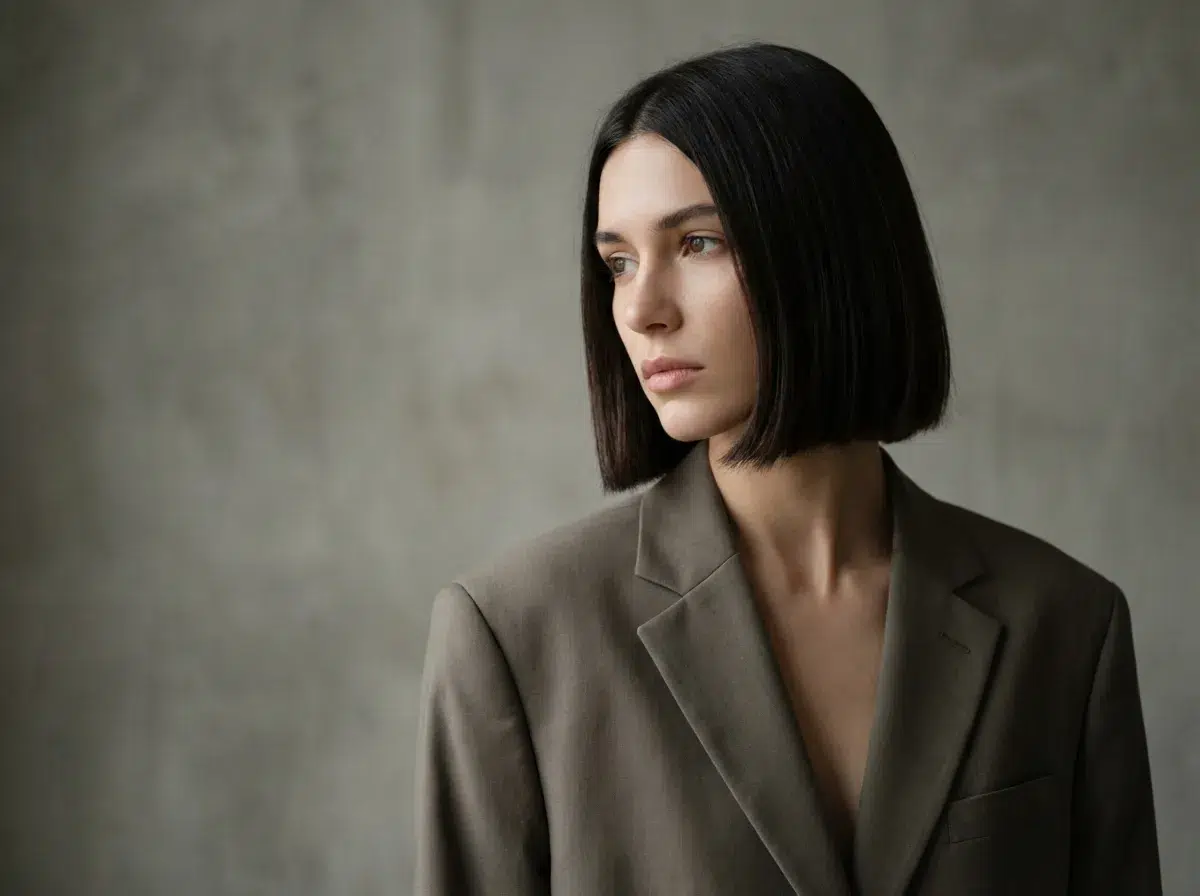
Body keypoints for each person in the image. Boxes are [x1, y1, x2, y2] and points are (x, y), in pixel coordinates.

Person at [412, 41, 1161, 895]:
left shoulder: (1062, 624)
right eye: (617, 261)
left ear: (828, 252)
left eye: (697, 242)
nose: (642, 309)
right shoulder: (516, 634)